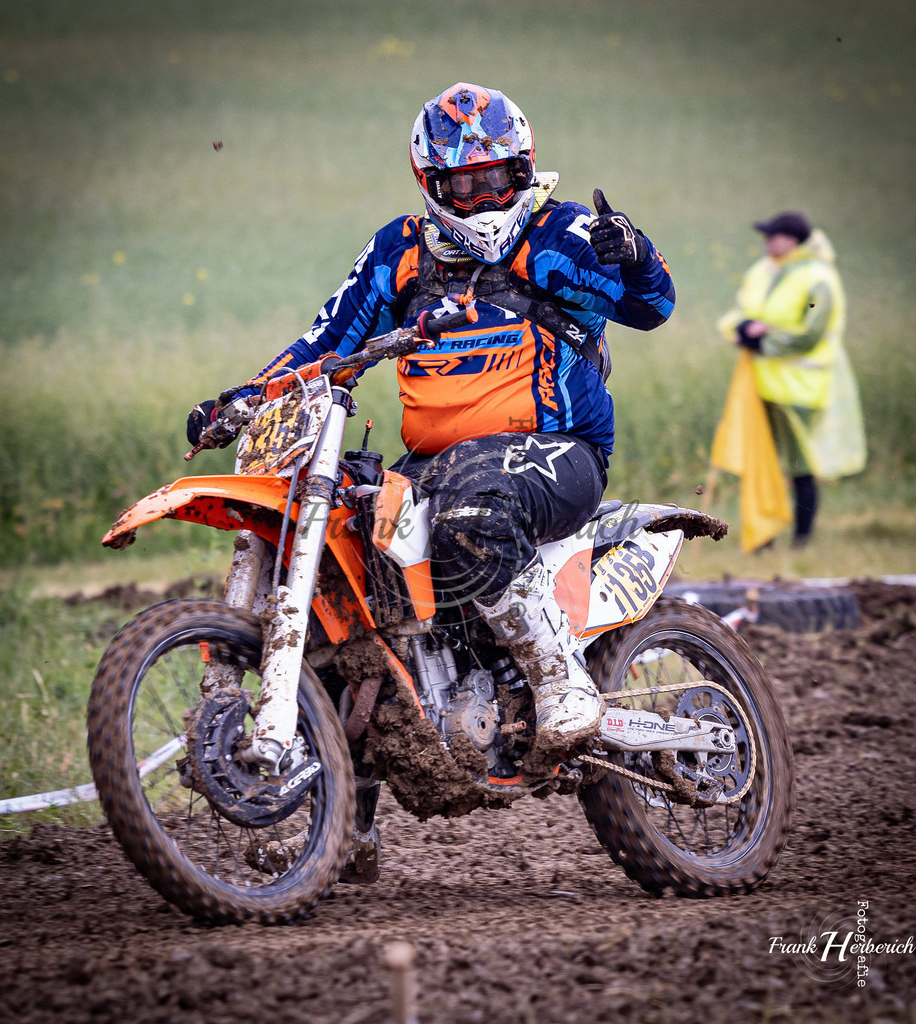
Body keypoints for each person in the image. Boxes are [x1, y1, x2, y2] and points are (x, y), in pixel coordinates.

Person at [188, 81, 674, 781]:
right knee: (348, 542)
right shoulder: (399, 251)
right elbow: (323, 344)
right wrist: (240, 398)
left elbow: (650, 306)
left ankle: (558, 681)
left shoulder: (559, 234)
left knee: (471, 507)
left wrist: (631, 251)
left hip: (558, 451)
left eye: (495, 179)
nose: (482, 198)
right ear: (432, 182)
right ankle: (343, 818)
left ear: (522, 170)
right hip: (437, 462)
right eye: (463, 184)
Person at [716, 210, 865, 547]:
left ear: (792, 240)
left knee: (800, 465)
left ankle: (802, 538)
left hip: (799, 388)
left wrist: (763, 340)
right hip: (759, 383)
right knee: (759, 460)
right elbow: (741, 312)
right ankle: (765, 536)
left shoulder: (818, 277)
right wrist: (740, 329)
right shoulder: (763, 271)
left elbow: (813, 332)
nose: (768, 242)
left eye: (774, 236)